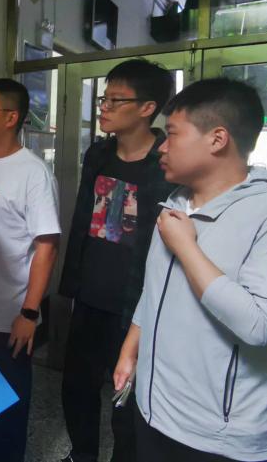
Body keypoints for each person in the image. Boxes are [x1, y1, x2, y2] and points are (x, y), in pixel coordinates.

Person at [114, 78, 267, 462]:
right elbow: (154, 290)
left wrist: (187, 248)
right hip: (154, 412)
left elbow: (261, 325)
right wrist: (131, 348)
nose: (162, 146)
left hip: (223, 438)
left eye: (173, 134)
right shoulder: (175, 204)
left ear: (217, 139)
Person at [57, 59, 176, 462]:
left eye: (115, 100)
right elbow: (81, 222)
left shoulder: (167, 161)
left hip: (137, 304)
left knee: (128, 396)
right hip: (90, 295)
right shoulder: (99, 153)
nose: (104, 107)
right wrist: (71, 285)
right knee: (77, 386)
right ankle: (82, 454)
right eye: (104, 98)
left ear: (147, 108)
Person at [0, 78, 60, 462]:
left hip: (11, 318)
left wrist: (29, 313)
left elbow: (46, 247)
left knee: (9, 409)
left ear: (11, 117)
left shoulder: (33, 173)